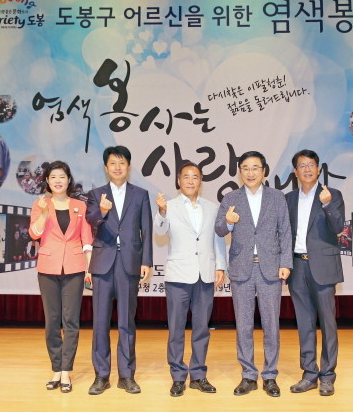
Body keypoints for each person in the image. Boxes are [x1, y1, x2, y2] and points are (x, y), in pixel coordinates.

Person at [215, 151, 292, 397]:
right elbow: (219, 229)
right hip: (242, 268)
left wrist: (286, 263)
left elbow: (285, 231)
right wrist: (228, 222)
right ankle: (248, 375)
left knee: (271, 324)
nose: (250, 173)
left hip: (270, 268)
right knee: (244, 325)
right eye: (245, 168)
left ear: (264, 171)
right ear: (240, 172)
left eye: (255, 168)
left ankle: (270, 376)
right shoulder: (231, 198)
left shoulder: (277, 197)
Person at [154, 161, 226, 397]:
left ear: (200, 181)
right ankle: (177, 376)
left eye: (195, 177)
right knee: (176, 329)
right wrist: (161, 212)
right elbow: (160, 231)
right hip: (178, 276)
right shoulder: (169, 206)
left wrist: (220, 266)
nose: (191, 181)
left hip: (205, 274)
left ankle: (198, 375)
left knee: (202, 328)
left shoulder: (212, 207)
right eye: (186, 177)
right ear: (178, 181)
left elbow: (217, 239)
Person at [86, 146, 153, 395]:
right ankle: (101, 376)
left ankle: (126, 375)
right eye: (113, 163)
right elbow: (91, 221)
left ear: (128, 167)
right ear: (106, 167)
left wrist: (146, 261)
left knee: (127, 321)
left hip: (129, 264)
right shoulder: (95, 194)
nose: (117, 167)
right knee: (100, 322)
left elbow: (146, 229)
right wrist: (102, 211)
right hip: (103, 264)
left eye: (122, 163)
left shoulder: (140, 194)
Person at [28, 161, 93, 394]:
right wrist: (44, 214)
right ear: (47, 180)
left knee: (71, 321)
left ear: (69, 180)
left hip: (75, 268)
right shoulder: (40, 204)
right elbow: (34, 233)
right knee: (52, 321)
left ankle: (66, 370)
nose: (58, 181)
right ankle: (56, 368)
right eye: (53, 177)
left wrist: (89, 269)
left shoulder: (80, 206)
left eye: (62, 177)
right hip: (48, 268)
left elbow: (87, 240)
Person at [284, 150, 344, 396]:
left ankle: (327, 376)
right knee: (304, 323)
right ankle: (309, 374)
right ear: (295, 171)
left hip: (323, 267)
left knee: (328, 323)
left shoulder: (332, 195)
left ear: (318, 169)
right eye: (302, 165)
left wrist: (327, 204)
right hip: (297, 266)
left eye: (311, 165)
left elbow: (338, 227)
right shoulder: (288, 199)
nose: (307, 169)